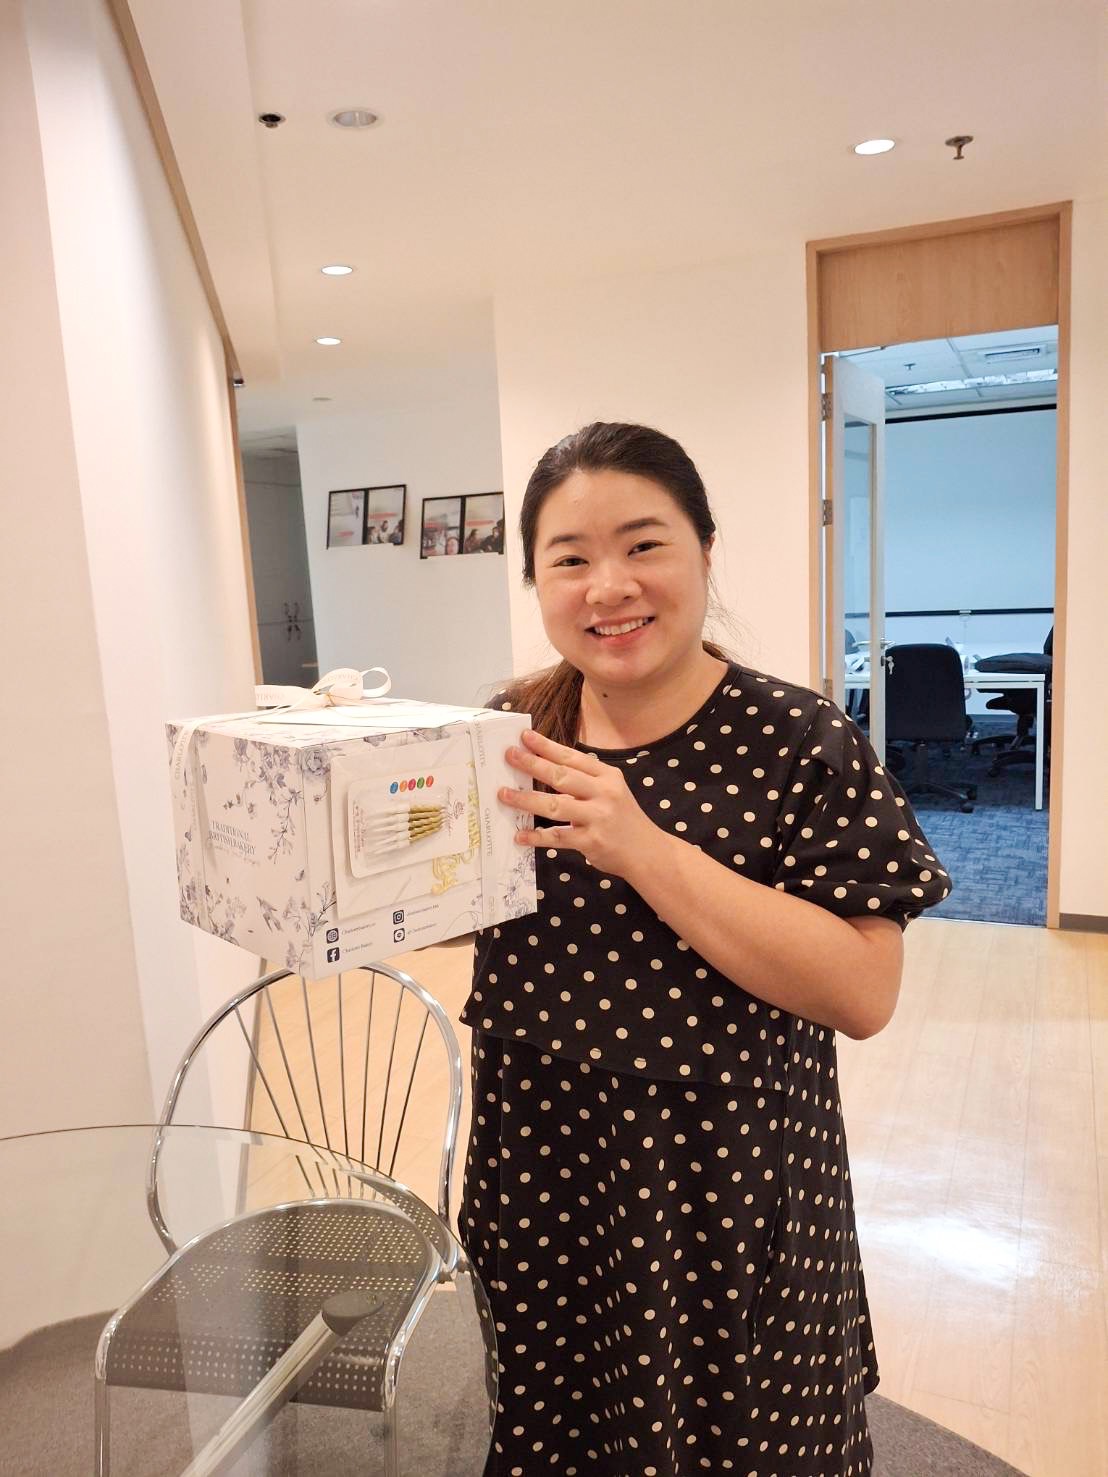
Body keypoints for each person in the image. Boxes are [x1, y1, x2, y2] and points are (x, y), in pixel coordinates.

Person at [458, 422, 951, 1477]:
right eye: (569, 559)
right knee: (564, 1432)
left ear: (705, 550)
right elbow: (474, 912)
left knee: (744, 1441)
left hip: (727, 1190)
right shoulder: (511, 729)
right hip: (545, 1175)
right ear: (536, 580)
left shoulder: (798, 739)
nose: (608, 587)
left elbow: (864, 990)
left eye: (644, 545)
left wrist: (641, 847)